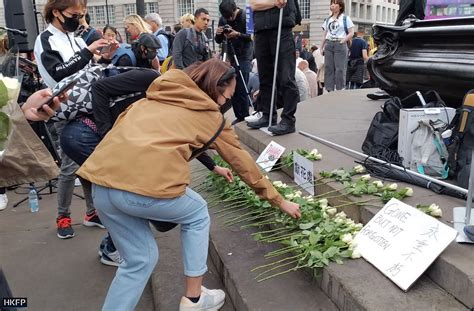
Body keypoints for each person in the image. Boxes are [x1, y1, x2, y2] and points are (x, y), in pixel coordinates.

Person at [77, 59, 301, 310]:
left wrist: (212, 165)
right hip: (137, 189)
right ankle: (194, 298)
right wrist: (279, 200)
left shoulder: (154, 97)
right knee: (196, 212)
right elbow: (243, 163)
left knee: (139, 261)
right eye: (227, 96)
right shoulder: (211, 117)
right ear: (216, 88)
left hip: (102, 186)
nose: (225, 102)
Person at [34, 0, 117, 239]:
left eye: (81, 15)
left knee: (89, 162)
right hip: (61, 109)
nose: (79, 19)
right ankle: (63, 215)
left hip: (87, 107)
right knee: (70, 167)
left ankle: (91, 212)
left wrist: (105, 57)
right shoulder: (46, 39)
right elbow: (57, 73)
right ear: (57, 12)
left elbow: (89, 70)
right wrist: (88, 52)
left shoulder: (77, 38)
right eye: (74, 14)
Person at [247, 0, 301, 135]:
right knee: (265, 77)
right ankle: (267, 115)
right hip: (261, 31)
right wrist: (273, 3)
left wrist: (268, 3)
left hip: (282, 29)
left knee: (286, 77)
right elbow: (253, 4)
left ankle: (288, 120)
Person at [215, 0, 253, 125]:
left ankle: (246, 116)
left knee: (242, 87)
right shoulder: (224, 19)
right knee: (232, 87)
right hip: (230, 56)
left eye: (231, 16)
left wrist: (237, 34)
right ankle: (239, 115)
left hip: (244, 56)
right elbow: (218, 41)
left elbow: (252, 37)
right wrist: (219, 34)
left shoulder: (246, 15)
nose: (230, 19)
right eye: (227, 18)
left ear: (235, 9)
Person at [320, 0, 354, 92]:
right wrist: (321, 47)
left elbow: (351, 33)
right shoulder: (328, 19)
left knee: (340, 68)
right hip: (329, 43)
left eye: (335, 4)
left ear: (340, 6)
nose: (332, 5)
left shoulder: (345, 18)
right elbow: (324, 34)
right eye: (331, 3)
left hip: (340, 43)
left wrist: (343, 40)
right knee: (328, 67)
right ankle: (329, 89)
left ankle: (340, 88)